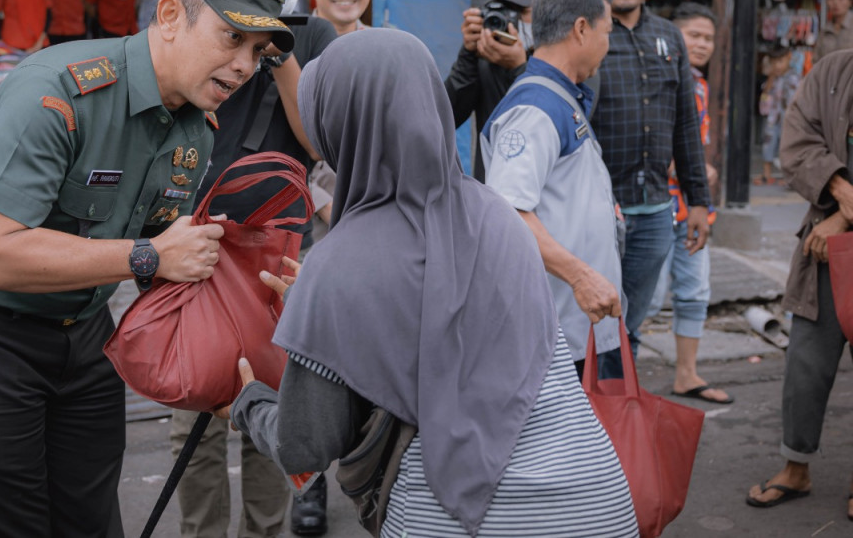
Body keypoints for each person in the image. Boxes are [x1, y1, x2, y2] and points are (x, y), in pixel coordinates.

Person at [0, 0, 295, 537]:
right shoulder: (57, 93)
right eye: (231, 38)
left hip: (85, 341)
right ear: (169, 15)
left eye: (257, 54)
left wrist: (231, 371)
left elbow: (170, 256)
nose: (244, 66)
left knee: (92, 523)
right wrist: (146, 256)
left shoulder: (195, 123)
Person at [220, 28, 638, 537]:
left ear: (335, 123)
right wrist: (330, 309)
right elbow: (446, 321)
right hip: (597, 500)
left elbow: (305, 445)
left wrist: (249, 402)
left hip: (454, 518)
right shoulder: (498, 215)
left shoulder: (338, 267)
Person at [168, 0, 337, 538]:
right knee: (197, 402)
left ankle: (268, 529)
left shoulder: (312, 34)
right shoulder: (197, 20)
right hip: (195, 230)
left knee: (275, 393)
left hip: (279, 242)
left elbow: (317, 140)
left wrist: (280, 44)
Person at [480, 0, 622, 376]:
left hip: (580, 327)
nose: (606, 45)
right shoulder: (535, 108)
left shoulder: (559, 96)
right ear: (581, 29)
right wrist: (581, 278)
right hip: (559, 335)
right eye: (606, 31)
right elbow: (509, 213)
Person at [586, 0, 711, 372]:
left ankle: (620, 421)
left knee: (630, 327)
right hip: (599, 213)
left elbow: (686, 126)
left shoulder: (669, 37)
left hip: (657, 211)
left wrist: (699, 201)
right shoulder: (586, 33)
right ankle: (588, 423)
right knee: (592, 326)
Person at [745, 49, 853, 522]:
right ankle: (796, 466)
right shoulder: (833, 70)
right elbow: (798, 142)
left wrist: (844, 222)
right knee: (806, 360)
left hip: (833, 233)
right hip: (825, 249)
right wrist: (843, 197)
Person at [645, 2, 732, 404]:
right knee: (646, 298)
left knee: (695, 291)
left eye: (708, 38)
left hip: (694, 208)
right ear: (671, 35)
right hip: (657, 205)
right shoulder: (654, 76)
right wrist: (692, 169)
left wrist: (701, 174)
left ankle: (687, 375)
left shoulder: (699, 84)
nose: (701, 43)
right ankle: (624, 384)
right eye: (693, 35)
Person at [304, 0, 376, 238]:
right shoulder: (285, 48)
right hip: (308, 226)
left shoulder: (386, 51)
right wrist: (323, 204)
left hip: (375, 219)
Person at [444, 0, 541, 181]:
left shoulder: (554, 56)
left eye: (521, 11)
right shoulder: (483, 58)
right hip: (491, 191)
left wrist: (519, 68)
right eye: (503, 10)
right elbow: (444, 118)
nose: (510, 20)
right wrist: (468, 54)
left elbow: (542, 119)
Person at [756, 46, 800, 186]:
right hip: (772, 118)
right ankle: (766, 173)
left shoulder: (794, 77)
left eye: (780, 61)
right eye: (774, 62)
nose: (777, 66)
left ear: (788, 58)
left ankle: (788, 176)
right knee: (768, 143)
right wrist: (769, 81)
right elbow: (764, 100)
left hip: (789, 119)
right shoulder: (772, 79)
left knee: (787, 146)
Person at [812, 0, 853, 64]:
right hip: (829, 76)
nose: (836, 3)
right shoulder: (825, 30)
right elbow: (816, 60)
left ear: (850, 1)